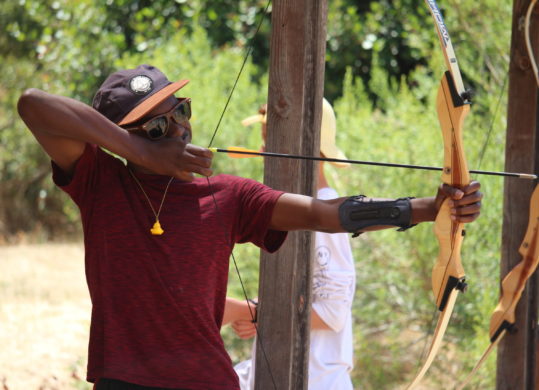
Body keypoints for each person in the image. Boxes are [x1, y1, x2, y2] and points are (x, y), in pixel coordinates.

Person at [17, 64, 483, 390]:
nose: (178, 128)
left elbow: (323, 213)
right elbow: (33, 104)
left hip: (206, 381)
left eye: (180, 111)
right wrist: (141, 154)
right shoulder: (101, 183)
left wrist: (427, 207)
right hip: (123, 379)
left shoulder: (229, 195)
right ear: (125, 139)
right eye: (156, 127)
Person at [223, 99, 356, 389]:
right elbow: (302, 299)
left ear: (302, 146)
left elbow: (332, 312)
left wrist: (255, 312)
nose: (261, 152)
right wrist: (259, 310)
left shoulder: (325, 213)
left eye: (270, 142)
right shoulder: (302, 210)